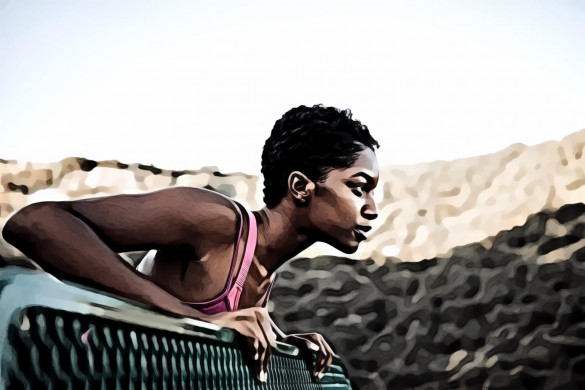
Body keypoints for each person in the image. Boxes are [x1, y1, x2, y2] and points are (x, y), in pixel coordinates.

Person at [2, 104, 380, 383]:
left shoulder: (263, 272)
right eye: (359, 188)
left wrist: (286, 347)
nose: (372, 210)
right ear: (300, 186)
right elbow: (35, 223)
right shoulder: (216, 221)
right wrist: (201, 324)